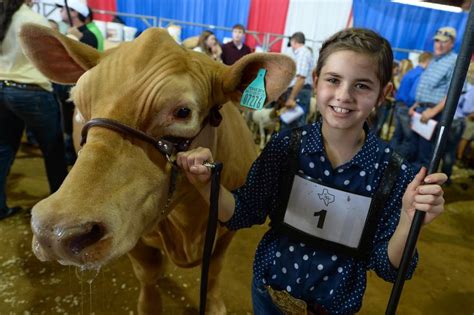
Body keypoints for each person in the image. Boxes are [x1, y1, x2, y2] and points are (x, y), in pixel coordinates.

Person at [177, 28, 447, 314]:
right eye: (334, 80)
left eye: (362, 86)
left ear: (384, 94)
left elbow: (389, 266)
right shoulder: (285, 147)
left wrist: (408, 221)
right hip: (269, 295)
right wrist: (207, 184)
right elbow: (243, 211)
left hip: (332, 308)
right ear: (316, 81)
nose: (344, 96)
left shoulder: (395, 173)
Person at [0, 0, 68, 220]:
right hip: (32, 92)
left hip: (3, 89)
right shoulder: (35, 21)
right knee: (53, 151)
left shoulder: (4, 17)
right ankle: (59, 212)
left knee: (4, 149)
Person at [410, 26, 458, 171]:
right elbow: (426, 87)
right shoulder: (434, 60)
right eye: (437, 41)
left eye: (444, 41)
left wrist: (432, 112)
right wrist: (415, 105)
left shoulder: (454, 61)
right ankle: (407, 186)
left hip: (434, 114)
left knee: (425, 155)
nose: (439, 44)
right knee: (413, 150)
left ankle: (420, 189)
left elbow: (453, 93)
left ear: (452, 43)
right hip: (420, 110)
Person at [390, 52, 433, 161]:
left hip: (399, 105)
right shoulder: (422, 74)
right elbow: (414, 94)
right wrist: (416, 105)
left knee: (397, 135)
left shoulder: (411, 72)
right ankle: (398, 163)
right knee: (409, 138)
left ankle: (388, 158)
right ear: (428, 61)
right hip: (407, 107)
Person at [281, 31, 313, 130]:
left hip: (299, 92)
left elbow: (301, 78)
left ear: (293, 41)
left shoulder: (303, 53)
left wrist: (291, 98)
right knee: (290, 123)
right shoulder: (302, 53)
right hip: (299, 92)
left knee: (295, 125)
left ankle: (292, 145)